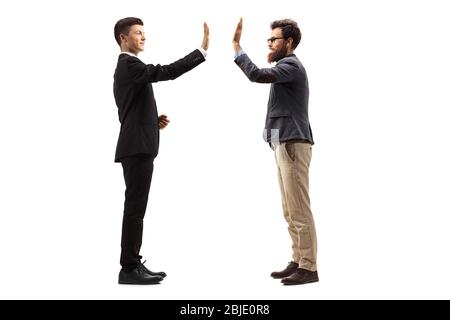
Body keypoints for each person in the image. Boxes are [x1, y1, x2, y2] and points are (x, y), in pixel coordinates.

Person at [113, 17, 209, 285]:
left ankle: (131, 264)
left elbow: (129, 111)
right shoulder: (130, 64)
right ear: (123, 38)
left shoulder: (127, 68)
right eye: (138, 33)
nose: (143, 37)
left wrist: (153, 123)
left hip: (138, 143)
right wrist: (200, 52)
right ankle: (129, 268)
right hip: (137, 148)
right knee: (135, 208)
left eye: (144, 33)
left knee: (136, 207)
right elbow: (165, 71)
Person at [232, 18, 318, 285]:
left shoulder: (290, 65)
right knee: (289, 209)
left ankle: (309, 267)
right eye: (268, 40)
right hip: (283, 142)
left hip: (293, 143)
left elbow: (257, 74)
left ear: (288, 42)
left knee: (299, 209)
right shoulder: (285, 67)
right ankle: (298, 260)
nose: (269, 44)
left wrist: (237, 48)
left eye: (274, 40)